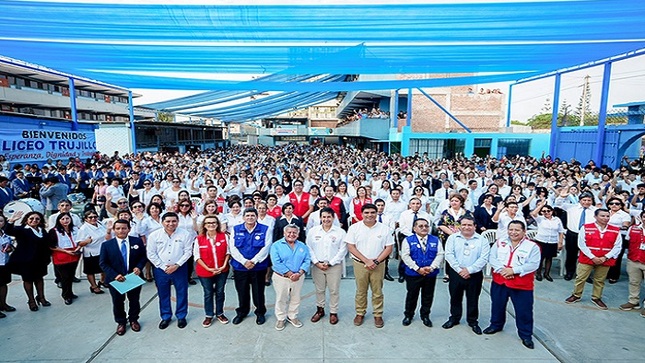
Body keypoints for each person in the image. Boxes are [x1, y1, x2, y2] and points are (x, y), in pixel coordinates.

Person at [484, 221, 541, 350]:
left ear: (524, 232)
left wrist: (513, 271)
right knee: (497, 305)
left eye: (517, 230)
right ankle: (496, 325)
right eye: (511, 229)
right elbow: (492, 258)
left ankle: (526, 335)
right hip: (500, 281)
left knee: (523, 311)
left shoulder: (532, 247)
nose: (513, 232)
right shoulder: (500, 243)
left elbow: (533, 264)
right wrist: (503, 270)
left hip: (521, 285)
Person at [346, 203, 394, 328]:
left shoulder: (384, 229)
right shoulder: (354, 228)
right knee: (361, 291)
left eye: (372, 212)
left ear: (377, 213)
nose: (369, 215)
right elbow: (351, 246)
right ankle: (360, 313)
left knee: (377, 291)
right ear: (361, 214)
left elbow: (389, 247)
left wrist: (376, 261)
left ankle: (378, 314)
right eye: (366, 213)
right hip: (360, 264)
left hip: (378, 264)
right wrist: (366, 261)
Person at [564, 209, 622, 310]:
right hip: (587, 258)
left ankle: (596, 297)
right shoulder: (586, 228)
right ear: (595, 217)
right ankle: (576, 295)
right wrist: (593, 257)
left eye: (607, 216)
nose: (605, 218)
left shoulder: (615, 230)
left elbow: (617, 246)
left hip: (605, 259)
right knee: (581, 278)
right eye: (602, 216)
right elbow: (582, 244)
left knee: (600, 280)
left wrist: (605, 257)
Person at [441, 215, 489, 334]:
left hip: (475, 274)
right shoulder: (452, 238)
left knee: (473, 298)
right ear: (460, 226)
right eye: (464, 225)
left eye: (469, 225)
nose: (466, 227)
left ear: (475, 226)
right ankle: (454, 318)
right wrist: (459, 270)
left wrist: (469, 270)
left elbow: (484, 258)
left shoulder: (482, 240)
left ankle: (472, 321)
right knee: (455, 297)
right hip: (456, 273)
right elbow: (449, 255)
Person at [99, 219, 147, 336]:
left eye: (124, 228)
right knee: (118, 302)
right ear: (114, 230)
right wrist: (115, 275)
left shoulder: (136, 241)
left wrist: (139, 267)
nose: (121, 231)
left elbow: (143, 257)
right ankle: (121, 322)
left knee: (134, 300)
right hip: (116, 279)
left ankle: (133, 319)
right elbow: (103, 263)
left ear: (129, 229)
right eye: (118, 228)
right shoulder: (107, 245)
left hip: (133, 277)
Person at [147, 212, 193, 329]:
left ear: (178, 222)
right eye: (167, 221)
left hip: (179, 268)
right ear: (162, 222)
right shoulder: (154, 235)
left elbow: (188, 252)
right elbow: (151, 253)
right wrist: (162, 266)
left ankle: (181, 316)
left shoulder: (185, 234)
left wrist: (177, 265)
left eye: (174, 221)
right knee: (163, 294)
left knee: (182, 292)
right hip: (161, 269)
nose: (171, 224)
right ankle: (166, 317)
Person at [229, 208, 272, 325]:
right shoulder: (236, 229)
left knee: (258, 291)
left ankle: (260, 313)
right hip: (240, 267)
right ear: (243, 217)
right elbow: (232, 247)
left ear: (256, 217)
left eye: (252, 215)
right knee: (242, 291)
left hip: (258, 267)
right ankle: (242, 312)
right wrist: (244, 262)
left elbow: (266, 247)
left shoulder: (265, 229)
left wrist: (254, 261)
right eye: (247, 215)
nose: (250, 217)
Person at [306, 207, 347, 325]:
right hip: (317, 265)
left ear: (333, 218)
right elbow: (309, 248)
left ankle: (333, 312)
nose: (326, 219)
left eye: (329, 217)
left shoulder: (340, 232)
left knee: (334, 290)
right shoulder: (313, 231)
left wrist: (331, 263)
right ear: (320, 218)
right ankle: (320, 310)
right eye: (324, 217)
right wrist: (316, 262)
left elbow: (343, 250)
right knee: (319, 289)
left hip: (334, 266)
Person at [400, 218, 444, 327]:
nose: (424, 228)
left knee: (428, 295)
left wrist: (432, 267)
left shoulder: (435, 240)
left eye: (426, 226)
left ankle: (425, 315)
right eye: (420, 226)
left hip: (430, 273)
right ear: (414, 228)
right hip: (414, 273)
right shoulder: (408, 240)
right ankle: (408, 315)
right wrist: (417, 268)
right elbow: (405, 256)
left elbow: (440, 254)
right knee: (412, 295)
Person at [6, 211, 51, 312]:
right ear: (26, 220)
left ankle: (41, 297)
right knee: (28, 280)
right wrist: (11, 221)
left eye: (37, 219)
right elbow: (8, 231)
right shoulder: (22, 230)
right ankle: (31, 301)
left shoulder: (42, 231)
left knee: (39, 279)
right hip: (26, 261)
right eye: (31, 218)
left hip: (40, 261)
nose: (34, 220)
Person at [271, 224, 311, 331]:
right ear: (284, 233)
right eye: (289, 232)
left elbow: (307, 260)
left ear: (298, 234)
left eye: (294, 232)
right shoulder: (276, 245)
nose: (291, 234)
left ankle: (292, 316)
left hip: (298, 277)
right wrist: (289, 274)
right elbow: (276, 262)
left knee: (295, 298)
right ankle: (281, 318)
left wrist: (300, 272)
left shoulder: (303, 246)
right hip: (281, 277)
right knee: (281, 298)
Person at [194, 215, 230, 328]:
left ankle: (220, 313)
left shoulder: (224, 236)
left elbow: (228, 252)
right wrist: (208, 269)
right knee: (208, 293)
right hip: (205, 272)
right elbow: (197, 257)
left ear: (217, 224)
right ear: (204, 225)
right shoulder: (199, 239)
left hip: (222, 270)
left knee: (220, 292)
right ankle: (209, 315)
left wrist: (223, 266)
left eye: (214, 222)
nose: (211, 225)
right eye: (208, 223)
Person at [554, 191, 597, 280]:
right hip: (573, 234)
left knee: (587, 255)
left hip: (588, 235)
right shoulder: (571, 207)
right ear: (580, 200)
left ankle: (586, 275)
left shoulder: (595, 210)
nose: (586, 202)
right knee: (571, 254)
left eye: (589, 200)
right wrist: (561, 196)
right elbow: (558, 203)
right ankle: (570, 272)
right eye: (584, 200)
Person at [48, 213, 89, 305]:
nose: (65, 220)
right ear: (59, 220)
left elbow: (80, 241)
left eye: (67, 218)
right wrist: (66, 252)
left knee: (70, 276)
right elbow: (51, 246)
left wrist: (78, 248)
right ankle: (66, 296)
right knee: (65, 277)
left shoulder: (75, 229)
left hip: (74, 255)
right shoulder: (54, 231)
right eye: (63, 219)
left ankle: (70, 292)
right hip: (61, 256)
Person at [530, 201, 565, 281]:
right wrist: (541, 205)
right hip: (541, 241)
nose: (546, 212)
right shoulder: (540, 219)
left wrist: (560, 242)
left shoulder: (557, 220)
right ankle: (538, 273)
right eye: (544, 211)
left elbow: (561, 231)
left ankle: (547, 273)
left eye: (548, 211)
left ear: (552, 211)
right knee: (540, 258)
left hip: (552, 241)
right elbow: (533, 213)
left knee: (549, 258)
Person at [619, 210, 645, 315]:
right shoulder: (633, 228)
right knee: (633, 282)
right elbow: (628, 241)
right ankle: (633, 301)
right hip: (633, 260)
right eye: (644, 216)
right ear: (641, 217)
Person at [77, 210, 108, 294]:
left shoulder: (100, 224)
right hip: (91, 253)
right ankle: (94, 286)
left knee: (104, 269)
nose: (93, 219)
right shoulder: (84, 229)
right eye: (90, 217)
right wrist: (87, 241)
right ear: (86, 219)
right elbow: (79, 243)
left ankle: (102, 281)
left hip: (102, 251)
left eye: (95, 217)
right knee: (90, 271)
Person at [0, 215, 16, 317]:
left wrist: (10, 248)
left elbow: (10, 247)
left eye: (1, 221)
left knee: (3, 284)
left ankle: (3, 304)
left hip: (4, 263)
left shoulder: (5, 235)